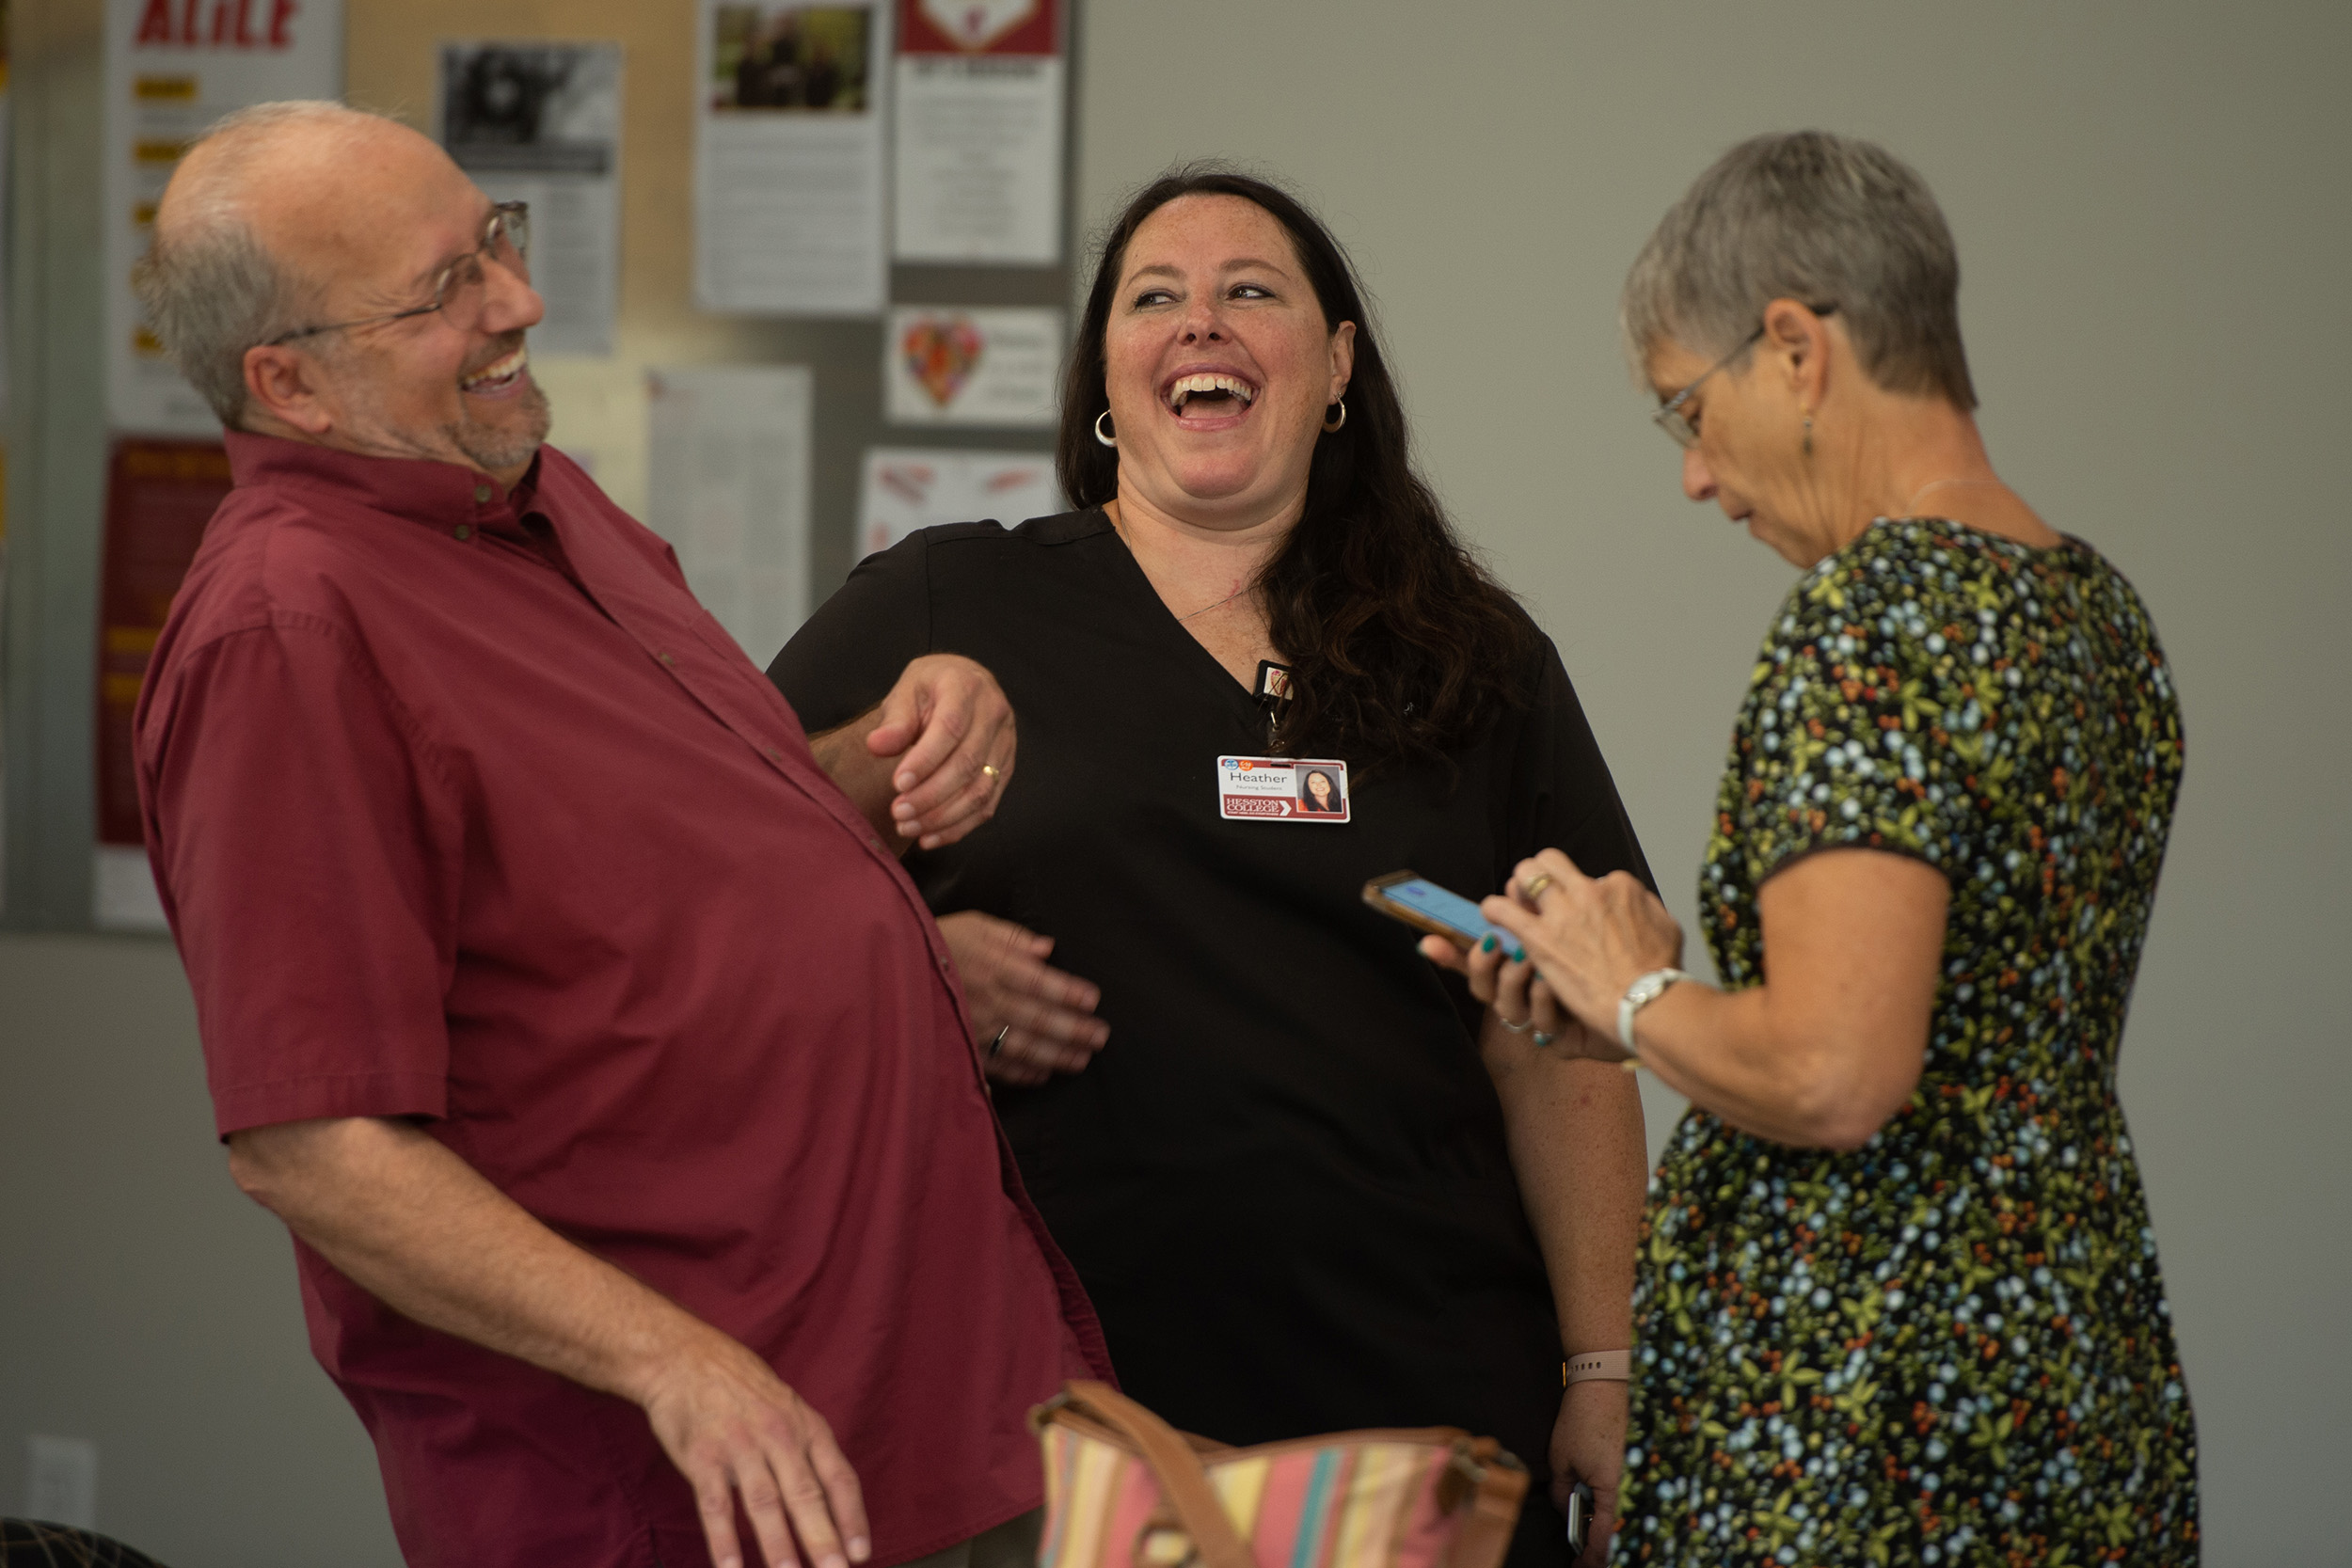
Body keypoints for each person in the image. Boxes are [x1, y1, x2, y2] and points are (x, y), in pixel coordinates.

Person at [131, 102, 1108, 1568]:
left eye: (495, 244)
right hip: (699, 1484)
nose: (518, 302)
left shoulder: (530, 497)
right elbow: (314, 1143)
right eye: (442, 290)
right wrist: (676, 1365)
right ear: (292, 384)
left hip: (934, 1404)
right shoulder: (289, 629)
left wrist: (906, 733)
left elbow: (713, 836)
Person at [771, 166, 1650, 1568]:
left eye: (1253, 292)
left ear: (1338, 366)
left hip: (1424, 1402)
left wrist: (1604, 1369)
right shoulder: (949, 602)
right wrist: (914, 967)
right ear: (1107, 374)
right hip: (1060, 1413)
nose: (1204, 325)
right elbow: (722, 873)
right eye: (1156, 298)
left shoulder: (1475, 659)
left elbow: (1558, 1042)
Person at [1432, 132, 2200, 1566]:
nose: (1696, 477)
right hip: (2066, 1364)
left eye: (1686, 412)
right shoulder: (2093, 614)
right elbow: (1955, 1031)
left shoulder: (1874, 629)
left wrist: (1645, 1002)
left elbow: (1838, 1077)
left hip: (1872, 1412)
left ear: (1794, 348)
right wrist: (1634, 1011)